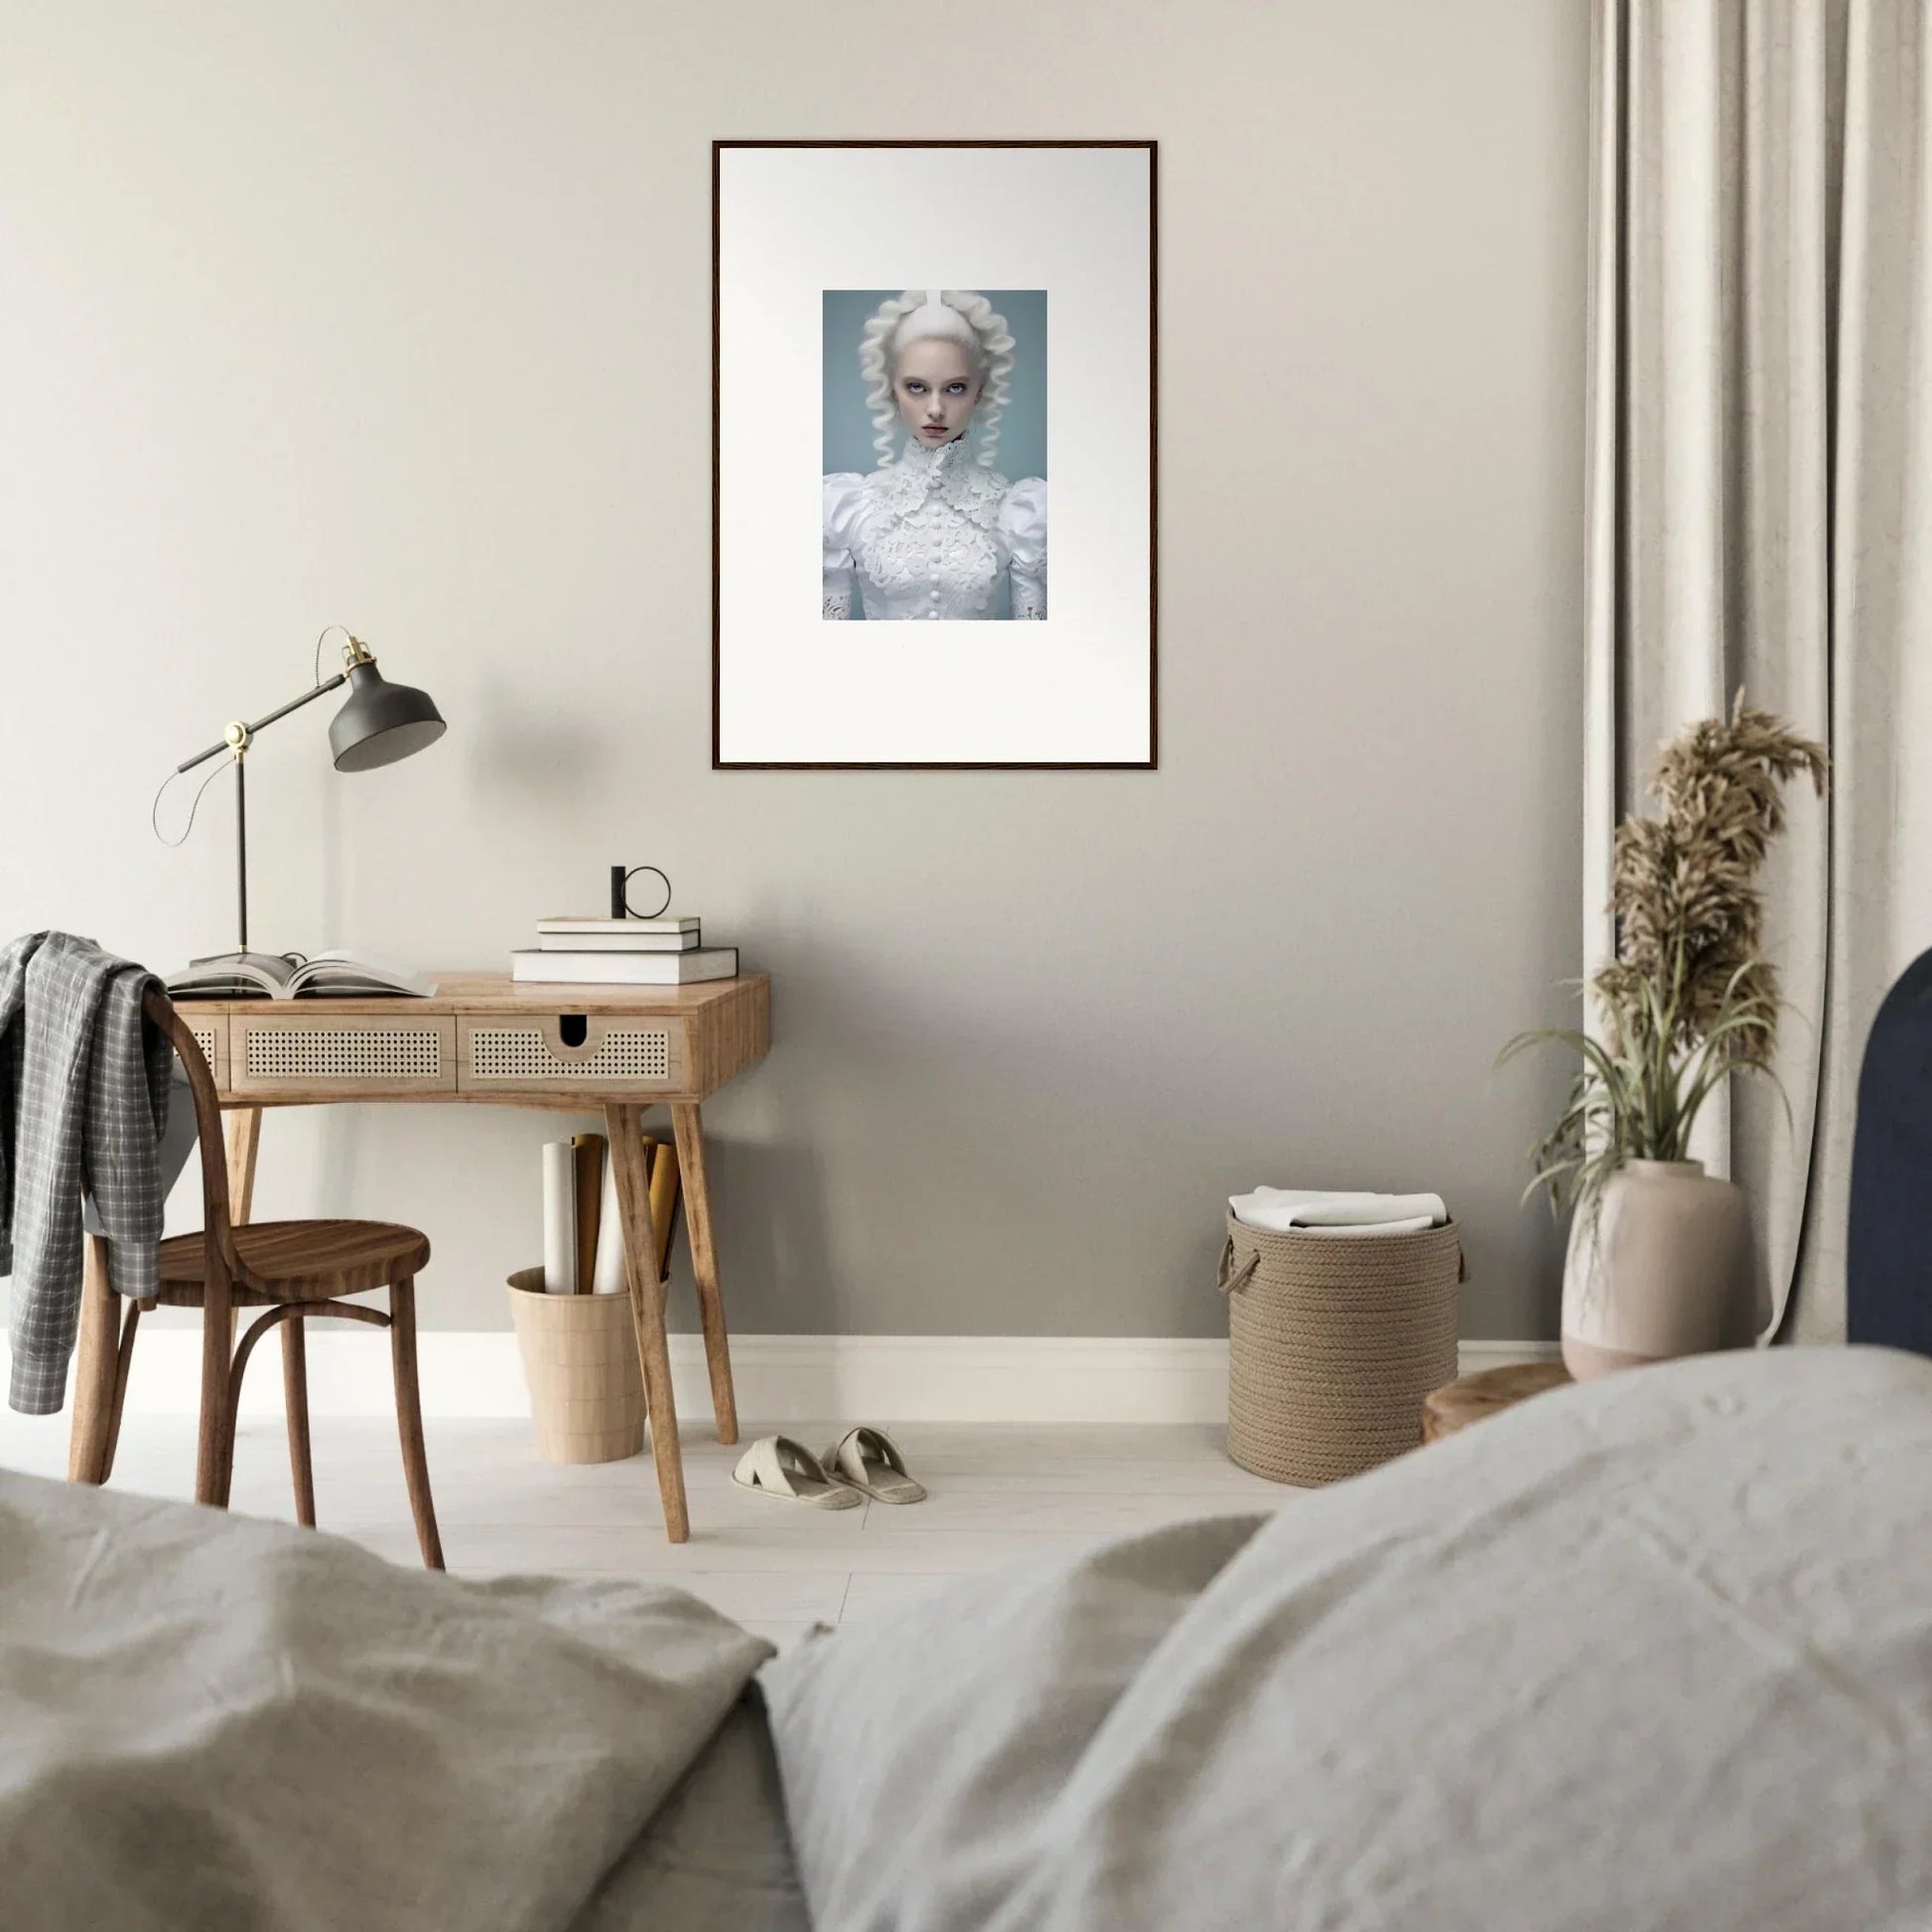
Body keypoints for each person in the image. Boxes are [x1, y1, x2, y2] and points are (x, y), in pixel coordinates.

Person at [823, 290, 1046, 621]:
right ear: (892, 391)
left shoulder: (1019, 511)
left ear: (979, 392)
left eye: (955, 388)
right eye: (917, 387)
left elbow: (1035, 645)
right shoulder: (850, 507)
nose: (936, 409)